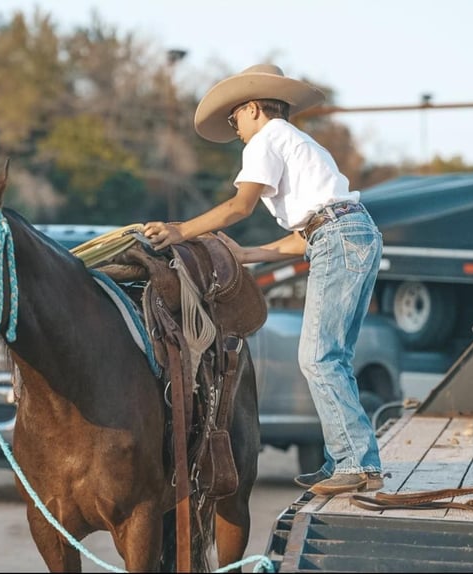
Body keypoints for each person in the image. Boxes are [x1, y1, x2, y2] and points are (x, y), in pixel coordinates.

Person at [143, 64, 385, 495]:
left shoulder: (266, 138)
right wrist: (249, 255)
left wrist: (181, 231)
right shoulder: (299, 143)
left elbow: (240, 207)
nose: (235, 128)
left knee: (317, 357)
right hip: (353, 233)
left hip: (339, 237)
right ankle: (349, 461)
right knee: (333, 357)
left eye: (235, 118)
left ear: (253, 108)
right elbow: (308, 234)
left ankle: (353, 463)